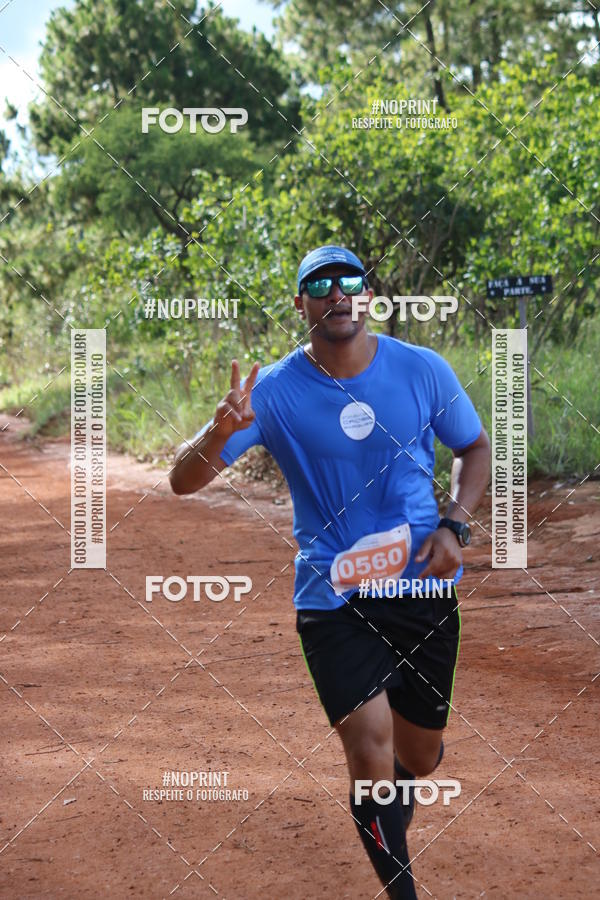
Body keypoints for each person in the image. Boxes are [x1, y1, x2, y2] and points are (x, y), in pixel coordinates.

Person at [169, 245, 491, 898]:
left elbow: (475, 446)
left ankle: (408, 774)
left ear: (366, 296)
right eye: (320, 284)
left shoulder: (422, 370)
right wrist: (216, 431)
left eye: (350, 282)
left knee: (418, 758)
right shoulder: (273, 393)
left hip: (422, 589)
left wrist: (455, 524)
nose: (337, 293)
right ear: (302, 304)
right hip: (332, 598)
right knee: (370, 753)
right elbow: (182, 480)